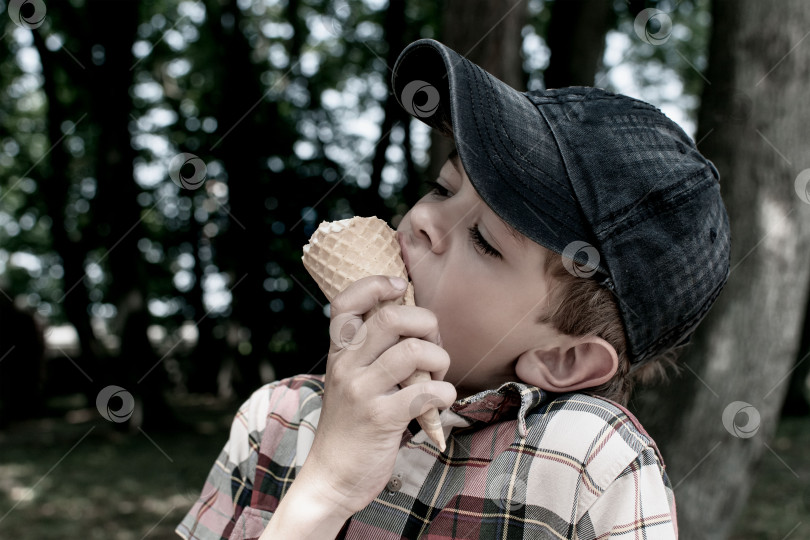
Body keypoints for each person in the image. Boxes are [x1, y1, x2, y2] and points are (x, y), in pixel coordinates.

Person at [175, 39, 729, 540]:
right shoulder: (275, 418)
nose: (420, 220)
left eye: (485, 242)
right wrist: (322, 492)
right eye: (444, 187)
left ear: (563, 360)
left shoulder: (585, 464)